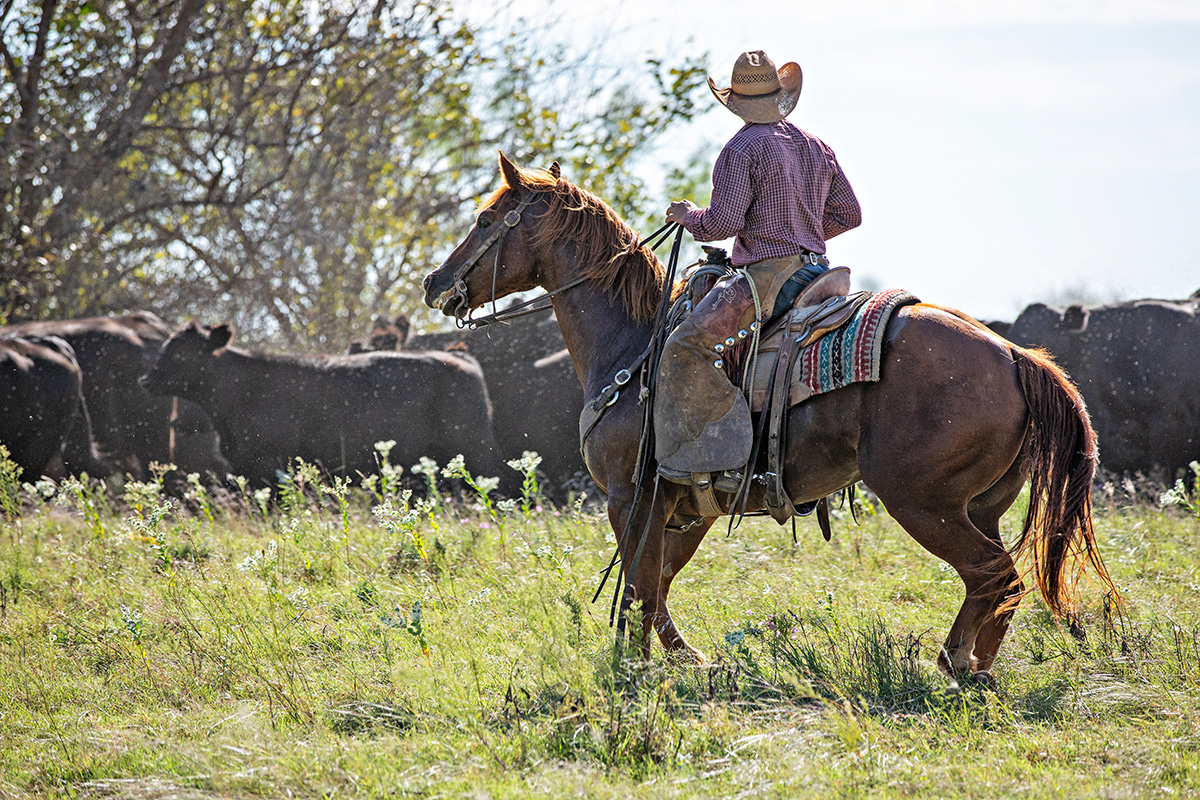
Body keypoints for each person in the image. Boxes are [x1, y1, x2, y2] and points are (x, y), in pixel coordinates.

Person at [654, 49, 862, 492]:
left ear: (736, 102)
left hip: (769, 279)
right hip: (818, 274)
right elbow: (849, 214)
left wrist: (687, 215)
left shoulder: (742, 147)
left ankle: (721, 463)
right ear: (779, 95)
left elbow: (722, 224)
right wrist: (802, 231)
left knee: (684, 346)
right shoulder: (815, 145)